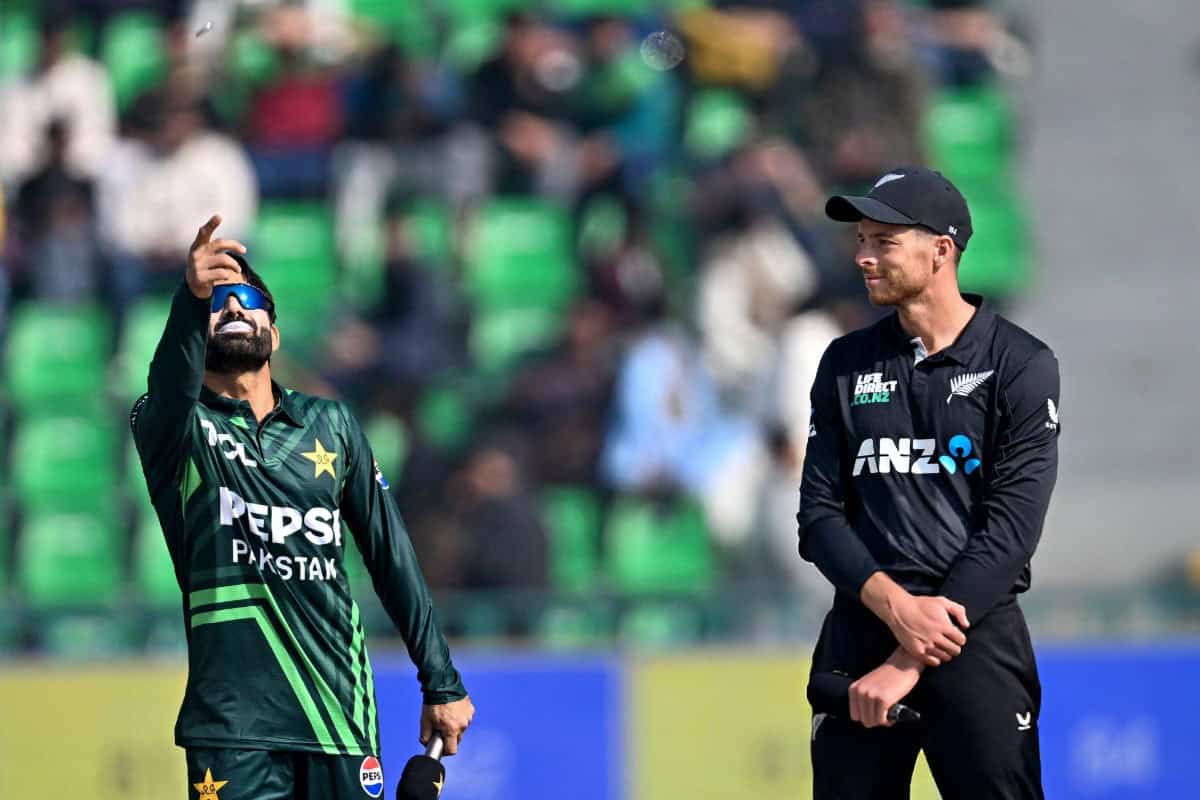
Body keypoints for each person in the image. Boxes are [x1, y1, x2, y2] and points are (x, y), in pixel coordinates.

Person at [130, 214, 474, 799]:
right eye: (216, 303)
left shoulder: (332, 424)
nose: (231, 308)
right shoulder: (176, 429)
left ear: (276, 334)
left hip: (337, 715)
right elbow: (168, 384)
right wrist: (189, 298)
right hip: (232, 727)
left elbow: (391, 556)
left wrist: (440, 680)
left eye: (246, 299)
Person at [797, 166, 1060, 798]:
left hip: (973, 639)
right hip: (861, 634)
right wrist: (895, 609)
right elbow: (818, 517)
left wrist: (909, 657)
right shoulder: (845, 362)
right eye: (860, 240)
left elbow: (1010, 534)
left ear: (941, 250)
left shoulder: (1021, 365)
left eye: (882, 241)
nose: (863, 257)